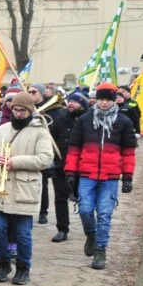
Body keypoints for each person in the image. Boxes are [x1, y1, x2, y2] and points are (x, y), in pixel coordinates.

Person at [64, 83, 137, 270]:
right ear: (96, 99)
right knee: (85, 210)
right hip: (87, 174)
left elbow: (128, 152)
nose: (104, 103)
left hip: (110, 177)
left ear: (114, 101)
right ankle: (91, 234)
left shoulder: (123, 122)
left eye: (108, 100)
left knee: (104, 214)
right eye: (101, 99)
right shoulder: (85, 120)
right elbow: (74, 148)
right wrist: (70, 172)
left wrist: (127, 176)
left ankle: (100, 250)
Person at [0, 92, 54, 285]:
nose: (18, 113)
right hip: (1, 185)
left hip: (25, 189)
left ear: (30, 110)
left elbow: (45, 159)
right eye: (15, 109)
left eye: (22, 110)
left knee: (23, 233)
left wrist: (13, 162)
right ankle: (3, 263)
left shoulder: (40, 131)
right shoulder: (4, 128)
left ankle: (23, 267)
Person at [48, 93, 88, 243]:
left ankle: (88, 226)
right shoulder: (60, 120)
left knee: (84, 200)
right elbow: (51, 140)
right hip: (60, 166)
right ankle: (62, 229)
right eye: (69, 101)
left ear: (83, 105)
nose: (70, 104)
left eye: (75, 102)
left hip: (81, 168)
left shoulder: (87, 120)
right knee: (60, 199)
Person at [27, 83, 53, 226]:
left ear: (42, 93)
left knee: (43, 183)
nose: (31, 95)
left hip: (44, 149)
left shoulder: (50, 108)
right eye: (29, 92)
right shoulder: (28, 109)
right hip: (30, 149)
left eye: (34, 92)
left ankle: (43, 211)